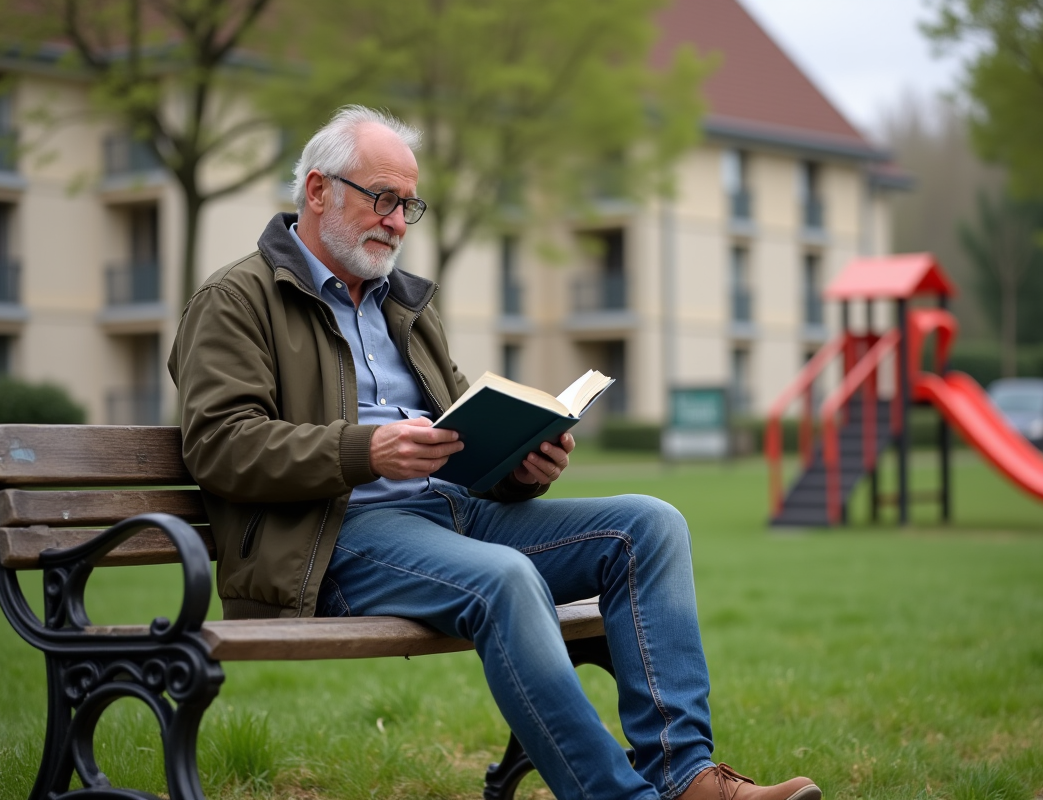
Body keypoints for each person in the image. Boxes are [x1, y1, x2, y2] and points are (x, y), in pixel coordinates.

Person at [169, 105, 821, 800]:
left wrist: (519, 467)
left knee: (650, 525)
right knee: (505, 579)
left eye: (408, 204)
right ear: (318, 190)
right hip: (333, 539)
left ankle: (687, 777)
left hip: (451, 516)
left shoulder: (404, 306)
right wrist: (365, 451)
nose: (396, 220)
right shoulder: (237, 299)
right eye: (382, 198)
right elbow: (218, 444)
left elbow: (459, 434)